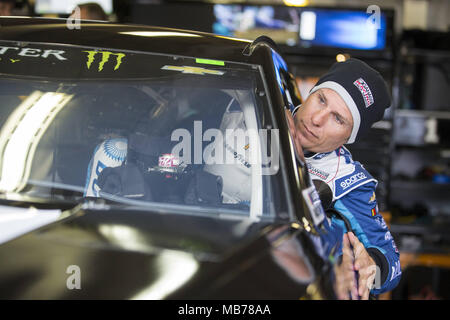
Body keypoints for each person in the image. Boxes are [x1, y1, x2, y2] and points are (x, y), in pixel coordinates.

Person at [285, 58, 401, 299]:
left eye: (338, 119)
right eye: (321, 99)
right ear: (313, 91)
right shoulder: (259, 103)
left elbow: (392, 265)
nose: (317, 119)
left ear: (349, 137)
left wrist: (371, 265)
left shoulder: (348, 180)